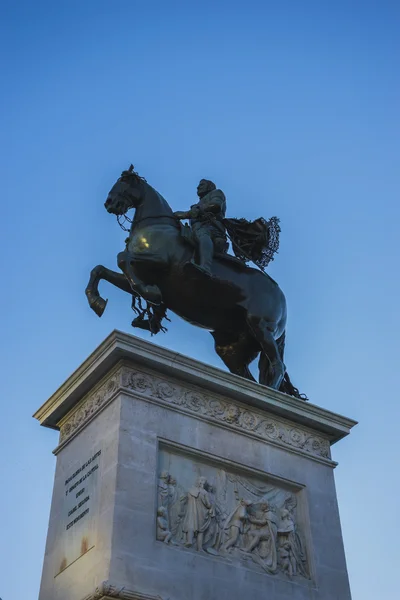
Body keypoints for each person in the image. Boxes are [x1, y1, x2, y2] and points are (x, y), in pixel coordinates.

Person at [174, 179, 227, 276]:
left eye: (202, 185)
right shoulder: (199, 202)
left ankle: (205, 267)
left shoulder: (216, 192)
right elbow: (189, 214)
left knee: (202, 235)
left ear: (209, 186)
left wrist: (193, 212)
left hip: (211, 227)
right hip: (196, 227)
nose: (198, 187)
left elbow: (216, 205)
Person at [181, 476, 213, 550]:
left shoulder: (191, 490)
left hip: (192, 511)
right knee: (200, 530)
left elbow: (185, 498)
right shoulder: (205, 492)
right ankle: (200, 548)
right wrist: (211, 506)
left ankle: (189, 540)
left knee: (190, 524)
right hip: (202, 513)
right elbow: (208, 504)